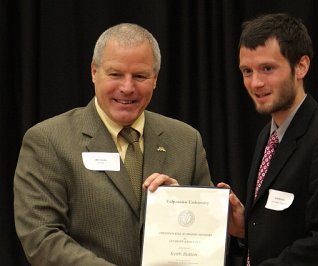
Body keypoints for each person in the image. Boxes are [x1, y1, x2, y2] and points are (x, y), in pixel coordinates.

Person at [14, 23, 212, 266]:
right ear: (94, 72)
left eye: (140, 76)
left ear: (155, 79)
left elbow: (208, 239)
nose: (127, 88)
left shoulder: (186, 140)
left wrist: (181, 201)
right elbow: (41, 238)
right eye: (115, 74)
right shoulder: (48, 140)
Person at [218, 13, 318, 265]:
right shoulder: (268, 134)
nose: (255, 82)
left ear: (301, 66)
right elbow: (283, 227)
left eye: (267, 68)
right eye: (247, 71)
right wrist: (244, 228)